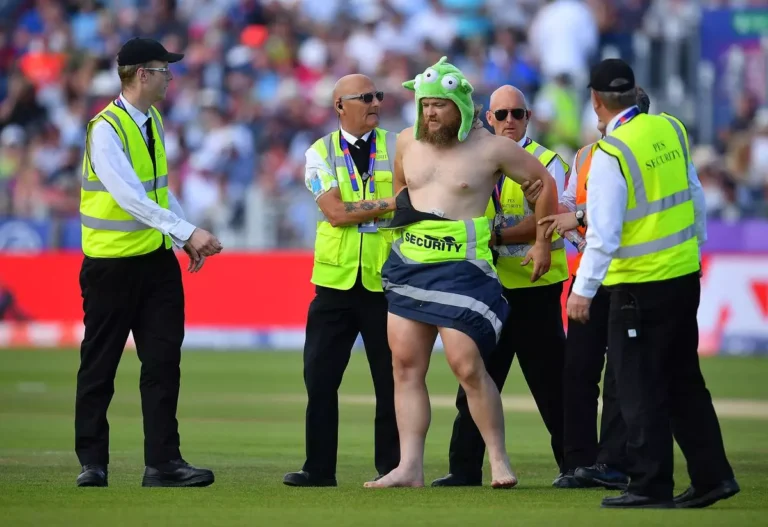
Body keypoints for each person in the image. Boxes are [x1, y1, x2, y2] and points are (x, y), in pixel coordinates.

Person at [364, 56, 558, 489]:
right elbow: (401, 192)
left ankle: (498, 459)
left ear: (462, 107)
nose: (430, 112)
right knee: (405, 366)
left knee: (467, 366)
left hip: (465, 270)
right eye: (425, 104)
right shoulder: (405, 143)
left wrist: (543, 240)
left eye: (440, 105)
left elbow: (544, 183)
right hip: (411, 264)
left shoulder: (491, 147)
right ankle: (410, 466)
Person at [567, 58, 739, 509]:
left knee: (639, 385)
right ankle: (712, 477)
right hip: (683, 275)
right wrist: (695, 250)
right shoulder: (672, 129)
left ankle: (649, 483)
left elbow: (603, 235)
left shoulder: (611, 153)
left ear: (596, 100)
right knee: (684, 382)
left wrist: (583, 291)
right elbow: (695, 194)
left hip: (638, 287)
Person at [76, 37, 222, 488]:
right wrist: (186, 231)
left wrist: (181, 234)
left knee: (162, 363)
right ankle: (92, 462)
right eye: (164, 70)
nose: (169, 77)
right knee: (100, 365)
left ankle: (162, 463)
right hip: (111, 267)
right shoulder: (106, 128)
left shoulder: (151, 119)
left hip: (156, 264)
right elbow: (128, 197)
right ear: (143, 74)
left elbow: (158, 189)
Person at [432, 85, 569, 487]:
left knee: (550, 383)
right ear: (487, 119)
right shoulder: (474, 162)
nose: (510, 121)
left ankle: (576, 465)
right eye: (502, 114)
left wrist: (492, 235)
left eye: (518, 114)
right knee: (474, 377)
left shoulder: (547, 162)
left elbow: (549, 222)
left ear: (529, 118)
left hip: (535, 288)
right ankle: (463, 468)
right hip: (487, 288)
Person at [283, 74, 400, 487]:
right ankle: (318, 469)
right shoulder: (318, 152)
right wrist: (388, 204)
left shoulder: (399, 145)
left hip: (385, 283)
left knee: (391, 382)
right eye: (365, 97)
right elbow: (335, 213)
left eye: (378, 96)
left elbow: (411, 206)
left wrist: (361, 207)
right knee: (319, 378)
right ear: (339, 106)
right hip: (334, 285)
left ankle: (392, 468)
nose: (375, 103)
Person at [535, 88, 653, 491]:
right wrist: (561, 211)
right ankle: (578, 463)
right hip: (591, 272)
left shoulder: (636, 154)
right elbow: (570, 203)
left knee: (621, 374)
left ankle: (613, 462)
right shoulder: (586, 155)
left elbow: (621, 210)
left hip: (624, 275)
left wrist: (578, 218)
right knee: (578, 370)